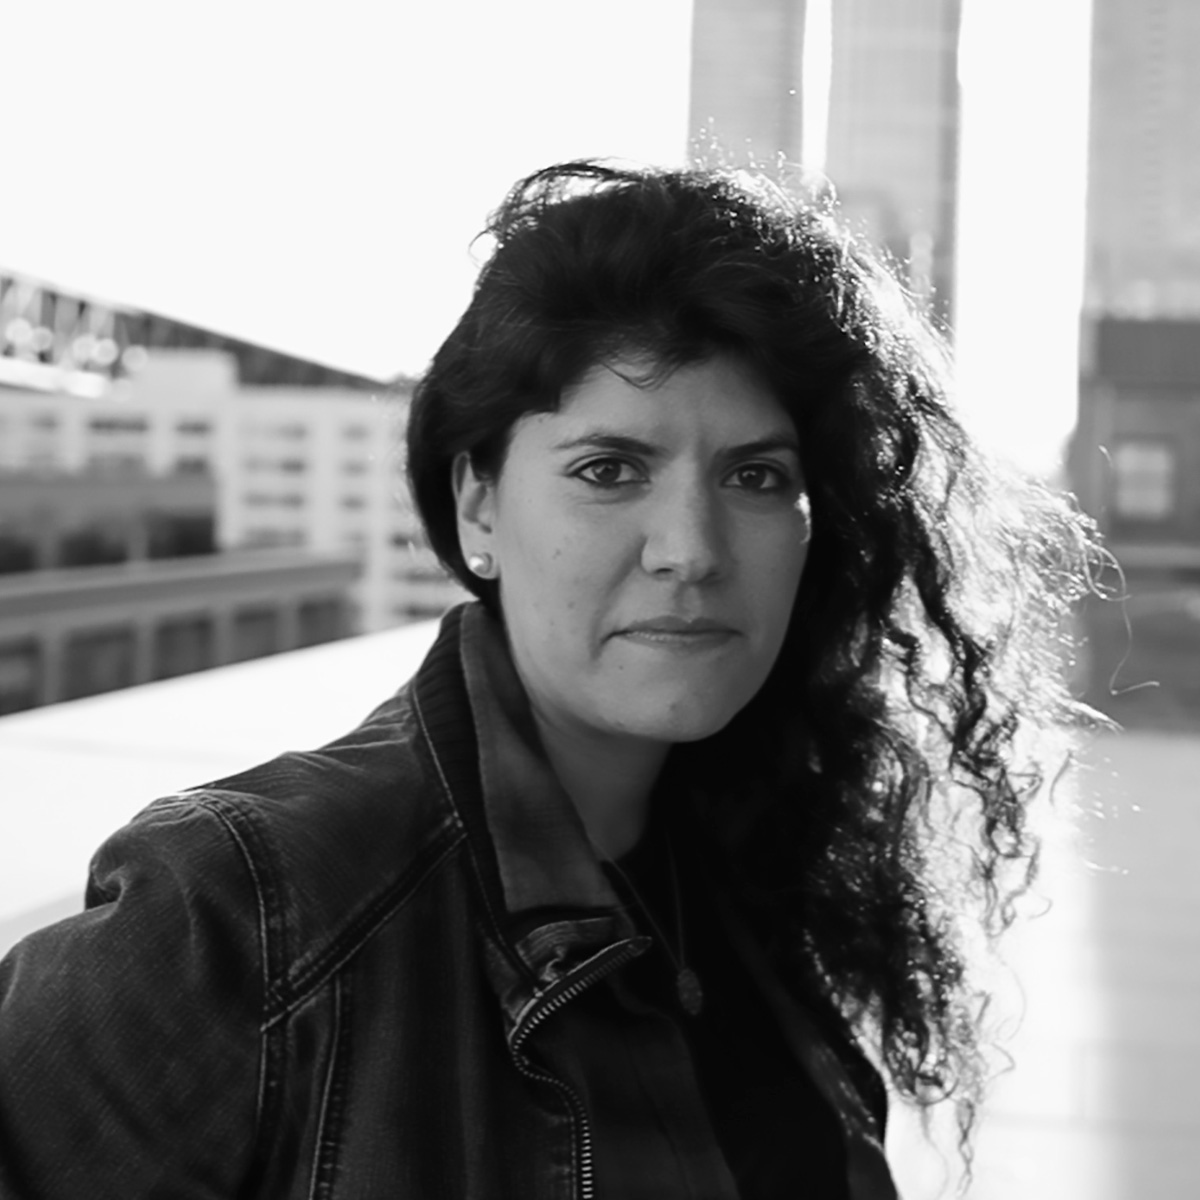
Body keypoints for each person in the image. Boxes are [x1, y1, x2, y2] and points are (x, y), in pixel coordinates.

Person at [0, 160, 1101, 1199]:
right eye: (609, 470)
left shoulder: (751, 863)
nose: (692, 547)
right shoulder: (240, 915)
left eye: (756, 476)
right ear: (478, 505)